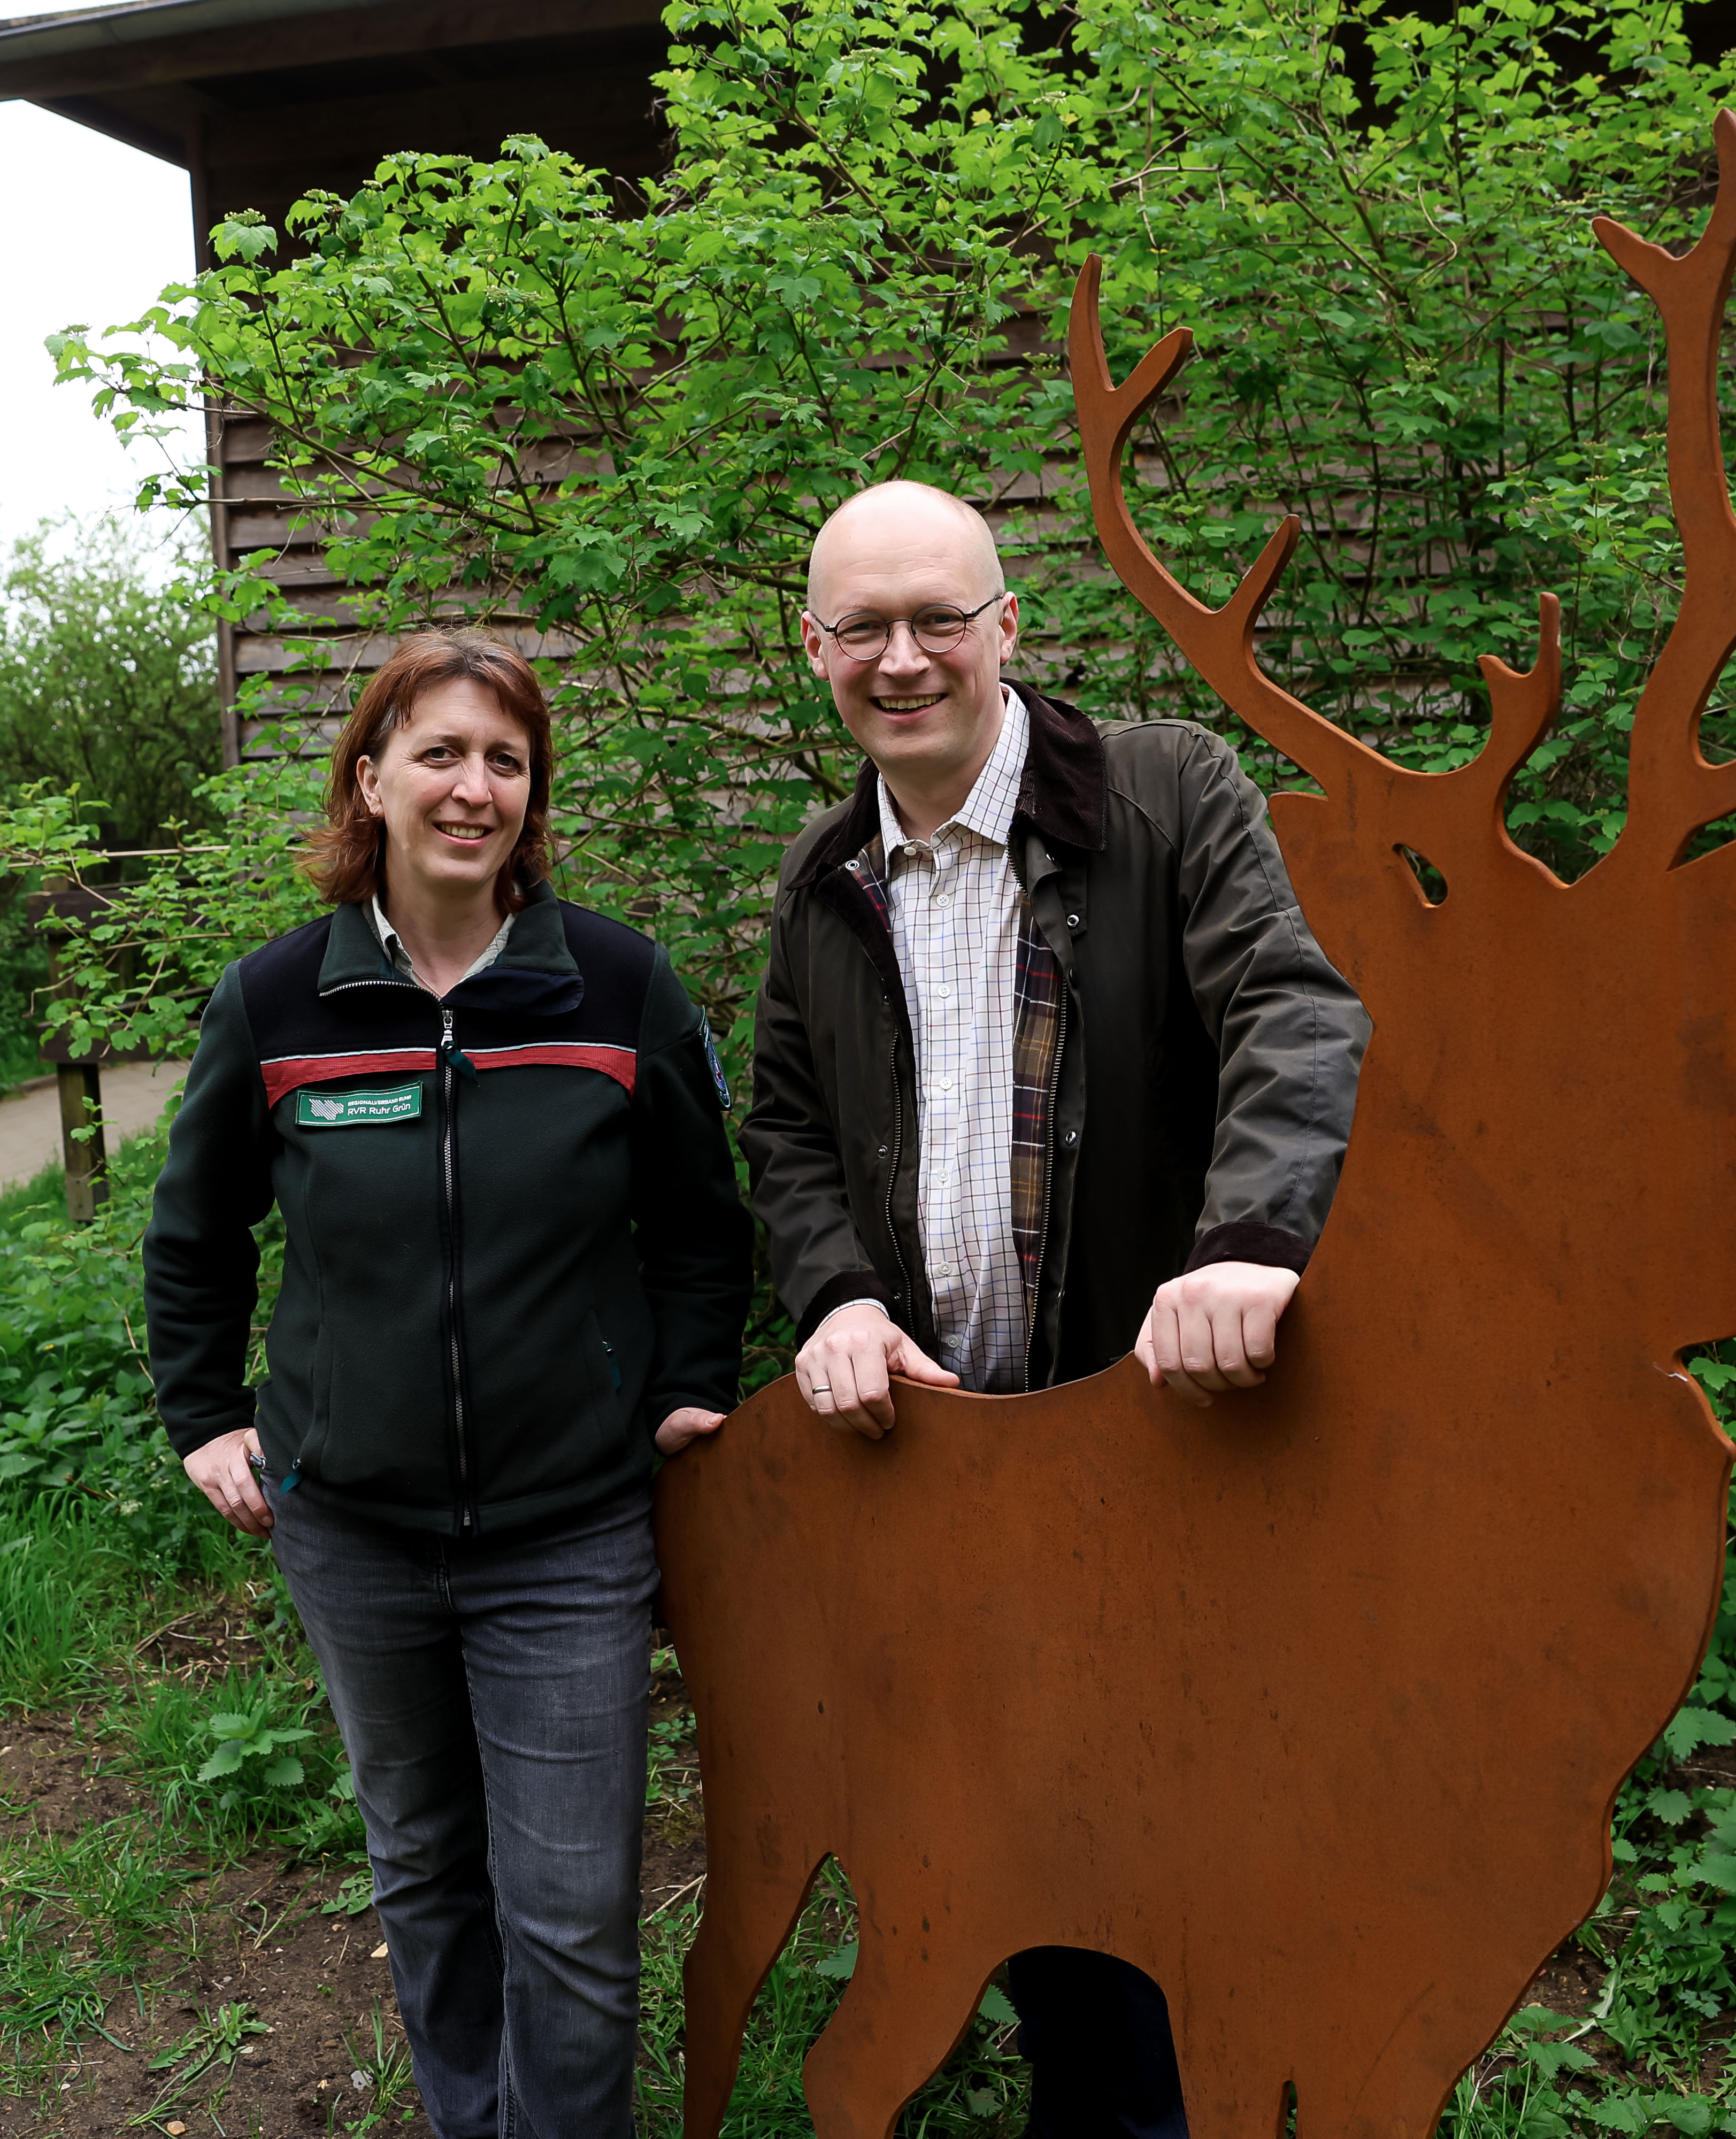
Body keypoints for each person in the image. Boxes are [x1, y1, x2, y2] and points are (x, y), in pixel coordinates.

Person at [741, 481, 1369, 2139]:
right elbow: (789, 1132)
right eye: (862, 628)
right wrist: (835, 1300)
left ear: (1007, 625)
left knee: (1186, 1845)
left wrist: (1248, 1240)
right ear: (812, 650)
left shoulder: (1161, 795)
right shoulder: (822, 877)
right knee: (1032, 1852)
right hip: (956, 1467)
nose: (903, 658)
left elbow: (1291, 1012)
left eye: (938, 616)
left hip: (1155, 1447)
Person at [142, 629, 750, 2139]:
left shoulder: (613, 984)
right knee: (422, 1867)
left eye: (505, 760)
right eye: (439, 754)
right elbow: (194, 1229)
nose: (472, 788)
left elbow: (698, 1222)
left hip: (570, 1529)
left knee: (572, 1908)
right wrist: (206, 1415)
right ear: (371, 781)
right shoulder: (281, 1003)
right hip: (356, 1529)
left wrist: (681, 1388)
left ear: (529, 796)